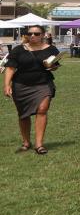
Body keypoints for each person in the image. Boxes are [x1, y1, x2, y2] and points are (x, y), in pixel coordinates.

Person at [5, 25, 59, 155]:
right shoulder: (18, 50)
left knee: (42, 110)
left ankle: (39, 145)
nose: (33, 36)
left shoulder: (51, 49)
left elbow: (55, 65)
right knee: (23, 115)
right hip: (21, 85)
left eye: (36, 33)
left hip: (43, 84)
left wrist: (52, 67)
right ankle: (26, 142)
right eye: (30, 34)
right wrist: (7, 85)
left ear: (43, 35)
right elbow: (10, 67)